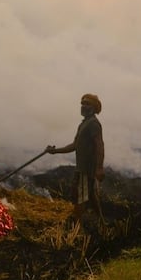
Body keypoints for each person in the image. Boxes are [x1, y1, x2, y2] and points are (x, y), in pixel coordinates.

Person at [45, 93, 105, 221]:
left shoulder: (94, 124)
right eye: (82, 103)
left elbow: (100, 145)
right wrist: (55, 151)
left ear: (94, 107)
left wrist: (99, 167)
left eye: (87, 103)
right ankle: (101, 223)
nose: (83, 106)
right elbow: (74, 146)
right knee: (91, 195)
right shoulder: (84, 124)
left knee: (80, 196)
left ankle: (77, 225)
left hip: (86, 169)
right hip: (82, 167)